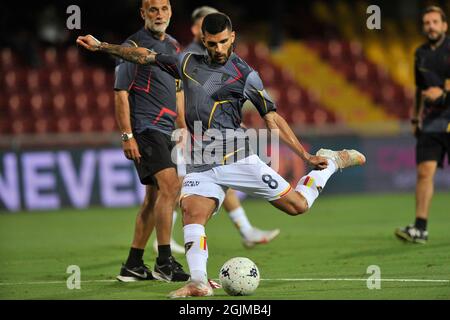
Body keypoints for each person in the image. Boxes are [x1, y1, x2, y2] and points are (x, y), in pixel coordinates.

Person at [76, 12, 366, 298]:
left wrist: (305, 154)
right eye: (212, 43)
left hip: (237, 157)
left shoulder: (245, 75)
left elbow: (272, 117)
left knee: (298, 206)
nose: (218, 49)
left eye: (223, 42)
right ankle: (198, 282)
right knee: (192, 213)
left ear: (233, 38)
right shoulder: (188, 63)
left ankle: (332, 163)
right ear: (203, 40)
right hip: (201, 159)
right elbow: (144, 56)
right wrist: (103, 46)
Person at [175, 5, 281, 249]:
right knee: (178, 187)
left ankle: (245, 230)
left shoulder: (210, 61)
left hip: (207, 135)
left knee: (211, 179)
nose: (216, 43)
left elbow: (214, 97)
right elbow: (181, 99)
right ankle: (164, 245)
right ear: (198, 31)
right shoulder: (190, 57)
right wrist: (184, 130)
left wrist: (228, 119)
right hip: (189, 133)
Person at [114, 0, 189, 282]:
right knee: (171, 187)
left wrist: (183, 127)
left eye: (164, 9)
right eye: (153, 9)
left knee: (154, 197)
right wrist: (127, 135)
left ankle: (133, 263)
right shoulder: (132, 46)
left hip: (167, 129)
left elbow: (178, 88)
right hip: (146, 127)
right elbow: (121, 92)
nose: (160, 14)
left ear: (171, 11)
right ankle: (165, 261)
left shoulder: (174, 45)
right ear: (143, 13)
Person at [395, 6, 450, 244]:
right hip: (431, 121)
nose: (431, 26)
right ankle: (420, 228)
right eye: (427, 22)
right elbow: (419, 89)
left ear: (445, 25)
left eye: (435, 22)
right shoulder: (420, 53)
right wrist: (415, 117)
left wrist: (444, 94)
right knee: (424, 173)